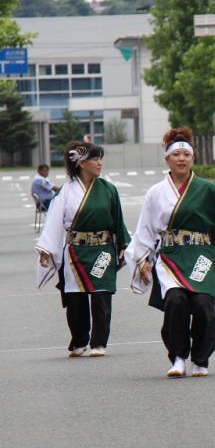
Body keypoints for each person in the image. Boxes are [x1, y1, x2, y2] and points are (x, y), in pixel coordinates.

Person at [126, 127, 215, 378]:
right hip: (171, 256)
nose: (182, 159)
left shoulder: (208, 190)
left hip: (202, 255)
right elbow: (145, 228)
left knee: (203, 304)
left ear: (193, 159)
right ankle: (178, 357)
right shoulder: (156, 193)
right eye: (176, 154)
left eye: (186, 155)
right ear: (167, 159)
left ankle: (201, 359)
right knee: (175, 301)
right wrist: (142, 259)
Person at [35, 141, 129, 358]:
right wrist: (47, 249)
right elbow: (54, 222)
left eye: (100, 158)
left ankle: (99, 342)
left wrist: (123, 245)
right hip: (75, 252)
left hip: (103, 249)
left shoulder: (108, 190)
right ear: (82, 163)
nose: (99, 163)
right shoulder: (66, 192)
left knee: (101, 295)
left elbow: (118, 222)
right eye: (95, 158)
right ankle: (79, 340)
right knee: (76, 300)